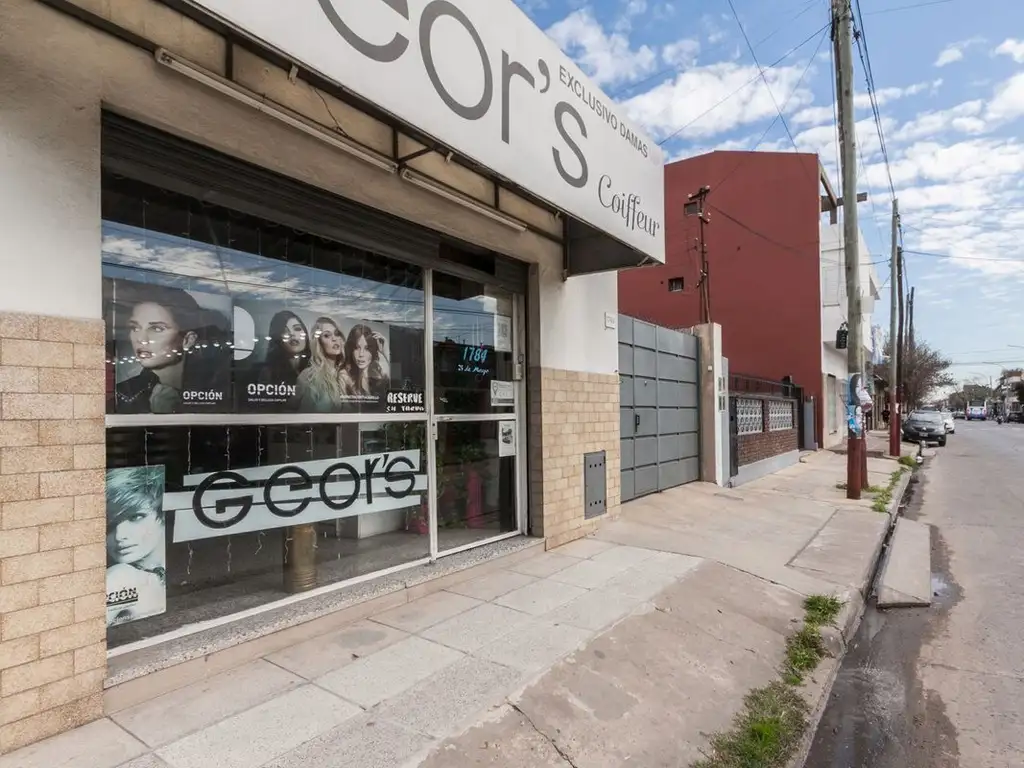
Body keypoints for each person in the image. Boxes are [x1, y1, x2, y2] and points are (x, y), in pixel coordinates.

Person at [110, 282, 229, 414]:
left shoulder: (217, 389)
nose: (141, 339)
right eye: (135, 328)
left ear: (188, 340)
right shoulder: (121, 394)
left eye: (156, 329)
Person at [106, 466, 167, 627]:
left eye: (135, 517)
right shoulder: (119, 578)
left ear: (162, 514)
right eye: (109, 524)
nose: (119, 536)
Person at [295, 316, 347, 412]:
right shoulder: (309, 376)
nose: (334, 339)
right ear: (319, 342)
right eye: (327, 335)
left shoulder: (345, 373)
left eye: (337, 334)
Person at [339, 324, 391, 405]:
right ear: (351, 349)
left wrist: (386, 353)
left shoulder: (378, 372)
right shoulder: (344, 376)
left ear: (372, 350)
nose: (361, 354)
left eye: (367, 348)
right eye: (357, 348)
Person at [258, 311, 310, 390]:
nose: (292, 334)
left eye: (297, 329)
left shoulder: (317, 369)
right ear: (278, 339)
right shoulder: (269, 373)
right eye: (284, 331)